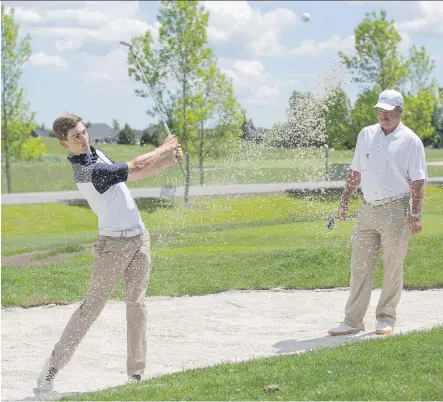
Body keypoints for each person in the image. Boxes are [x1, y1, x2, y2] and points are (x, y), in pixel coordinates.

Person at [36, 114, 183, 392]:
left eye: (83, 131)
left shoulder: (95, 154)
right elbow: (137, 163)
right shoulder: (86, 171)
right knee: (91, 308)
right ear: (63, 145)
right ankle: (53, 366)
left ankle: (135, 374)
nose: (83, 138)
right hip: (112, 247)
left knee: (136, 305)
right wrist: (164, 147)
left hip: (140, 238)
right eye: (75, 137)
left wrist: (168, 161)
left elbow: (135, 173)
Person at [328, 89, 427, 336]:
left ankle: (386, 318)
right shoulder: (366, 135)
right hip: (367, 208)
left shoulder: (411, 140)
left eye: (389, 111)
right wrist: (344, 203)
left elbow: (418, 182)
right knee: (359, 266)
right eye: (380, 110)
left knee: (392, 265)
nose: (383, 115)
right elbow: (355, 172)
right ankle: (352, 321)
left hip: (397, 208)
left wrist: (415, 216)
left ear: (399, 111)